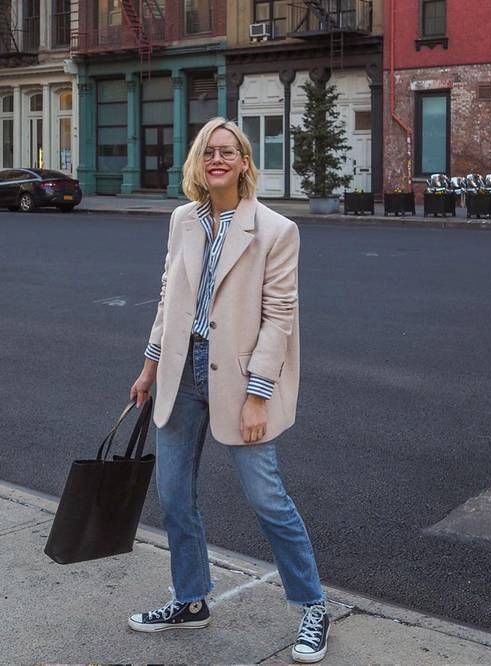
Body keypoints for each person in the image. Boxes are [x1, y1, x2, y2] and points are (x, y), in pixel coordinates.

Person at [128, 117, 330, 663]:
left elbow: (279, 317)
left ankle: (313, 605)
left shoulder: (275, 230)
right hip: (179, 372)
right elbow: (170, 299)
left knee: (266, 497)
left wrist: (259, 395)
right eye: (208, 152)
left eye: (228, 151)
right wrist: (148, 367)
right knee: (173, 496)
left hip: (241, 380)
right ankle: (191, 601)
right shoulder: (182, 221)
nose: (217, 160)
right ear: (199, 163)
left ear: (244, 161)